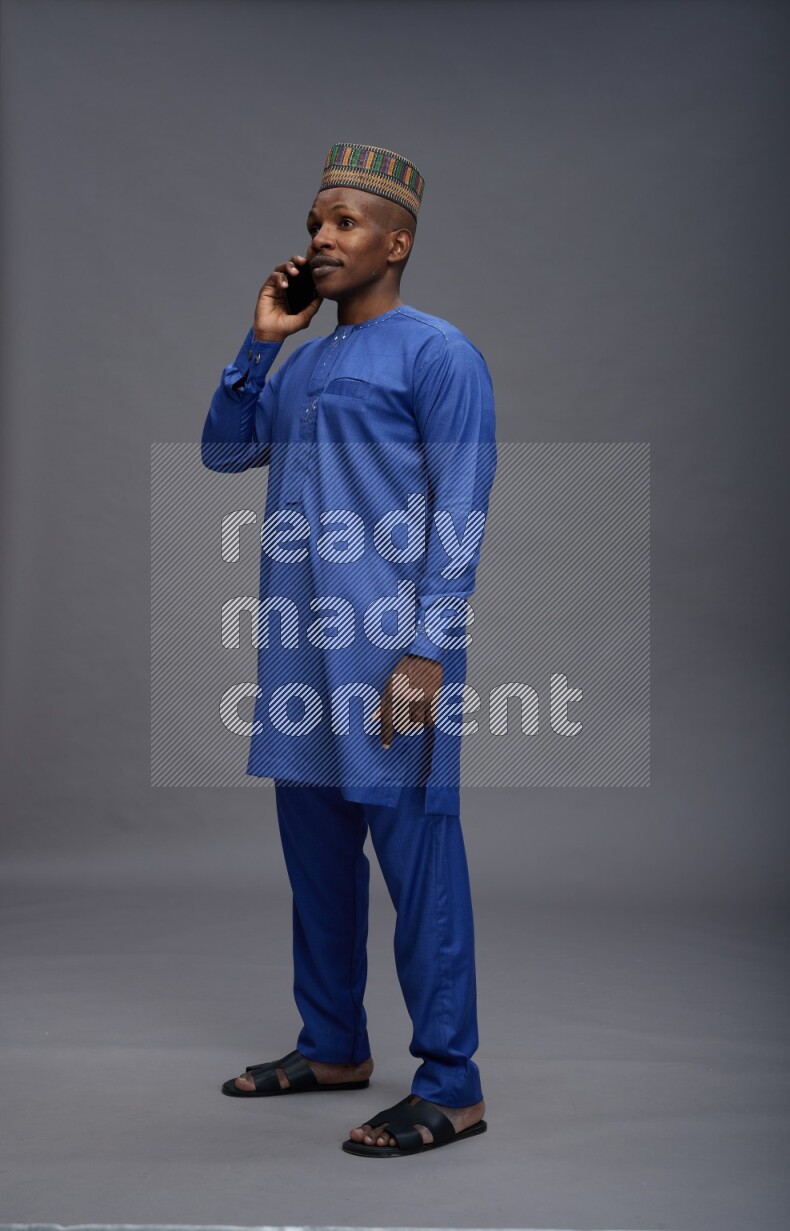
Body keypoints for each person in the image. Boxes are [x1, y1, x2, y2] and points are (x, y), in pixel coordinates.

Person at [201, 142, 497, 1157]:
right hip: (296, 651)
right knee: (316, 862)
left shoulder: (437, 352)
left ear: (395, 242)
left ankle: (451, 1082)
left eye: (342, 223)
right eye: (314, 223)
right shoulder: (300, 360)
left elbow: (461, 508)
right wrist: (256, 344)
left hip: (388, 653)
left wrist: (428, 649)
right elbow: (223, 447)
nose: (320, 238)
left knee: (419, 868)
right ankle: (331, 1044)